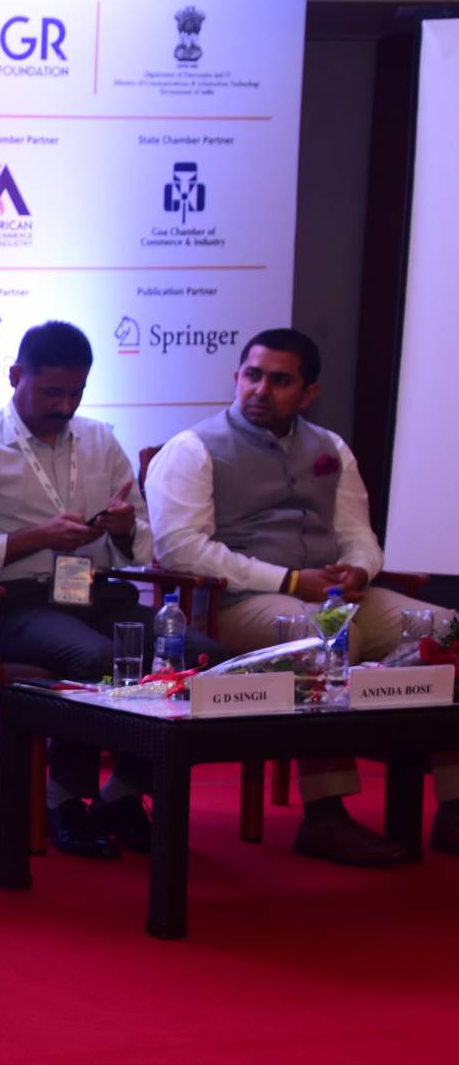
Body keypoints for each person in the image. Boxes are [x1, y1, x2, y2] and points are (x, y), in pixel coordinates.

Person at [147, 328, 459, 862]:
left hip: (336, 596)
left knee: (450, 631)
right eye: (252, 375)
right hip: (236, 604)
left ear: (309, 393)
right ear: (236, 377)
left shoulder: (331, 448)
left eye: (280, 380)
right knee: (326, 643)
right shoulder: (193, 448)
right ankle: (324, 816)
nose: (261, 390)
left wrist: (360, 569)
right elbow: (181, 550)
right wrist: (289, 580)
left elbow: (357, 533)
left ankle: (453, 810)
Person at [0, 320, 224, 858]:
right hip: (11, 605)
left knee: (202, 656)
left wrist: (123, 528)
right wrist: (37, 538)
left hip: (96, 593)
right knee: (98, 659)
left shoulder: (101, 441)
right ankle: (61, 800)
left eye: (76, 392)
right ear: (15, 375)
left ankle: (122, 793)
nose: (64, 405)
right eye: (51, 391)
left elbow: (142, 542)